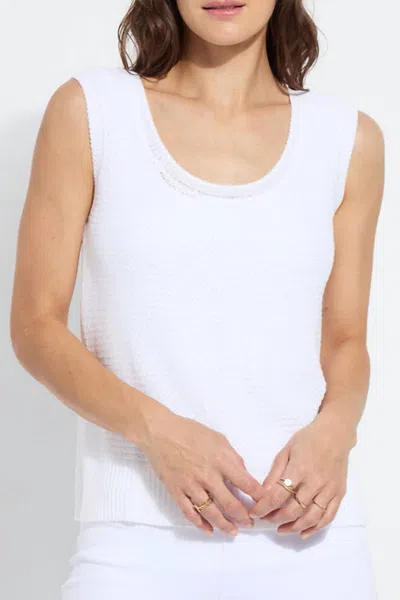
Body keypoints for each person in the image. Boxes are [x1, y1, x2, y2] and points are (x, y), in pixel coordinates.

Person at [10, 0, 385, 598]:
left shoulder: (348, 138)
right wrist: (156, 431)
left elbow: (344, 338)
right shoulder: (93, 112)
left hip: (313, 540)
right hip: (133, 543)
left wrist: (336, 431)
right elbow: (36, 326)